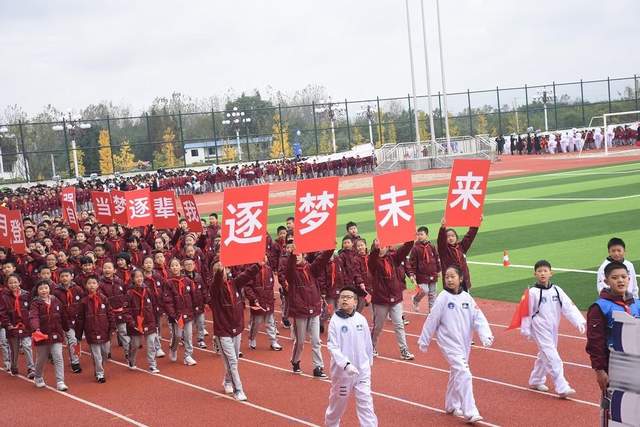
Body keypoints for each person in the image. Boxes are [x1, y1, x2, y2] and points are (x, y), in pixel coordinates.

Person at [417, 265, 493, 423]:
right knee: (464, 373)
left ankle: (451, 405)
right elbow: (432, 319)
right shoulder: (443, 297)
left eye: (453, 277)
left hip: (464, 343)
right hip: (448, 343)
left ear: (461, 279)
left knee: (456, 372)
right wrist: (424, 340)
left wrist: (486, 335)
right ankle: (470, 411)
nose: (449, 280)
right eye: (447, 277)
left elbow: (478, 318)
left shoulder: (467, 298)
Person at [520, 260, 586, 398]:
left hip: (553, 328)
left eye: (545, 271)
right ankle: (562, 386)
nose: (542, 273)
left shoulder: (557, 290)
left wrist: (579, 321)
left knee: (545, 355)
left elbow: (568, 306)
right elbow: (526, 312)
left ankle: (536, 380)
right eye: (539, 271)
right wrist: (525, 329)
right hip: (539, 327)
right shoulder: (532, 292)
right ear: (535, 274)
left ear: (551, 273)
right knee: (552, 357)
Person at [325, 286, 377, 427]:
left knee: (366, 403)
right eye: (342, 297)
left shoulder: (361, 319)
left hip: (361, 372)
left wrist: (368, 363)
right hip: (342, 373)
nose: (345, 299)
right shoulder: (335, 321)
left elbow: (367, 343)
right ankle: (331, 424)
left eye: (348, 297)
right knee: (337, 405)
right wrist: (346, 365)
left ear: (355, 302)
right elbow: (332, 347)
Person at [586, 261, 640, 394]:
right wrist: (599, 370)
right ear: (606, 281)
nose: (620, 281)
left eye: (623, 277)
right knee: (615, 407)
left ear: (629, 278)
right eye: (615, 278)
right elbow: (595, 342)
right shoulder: (599, 307)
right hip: (615, 365)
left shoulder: (637, 304)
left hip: (636, 363)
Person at [210, 262, 260, 401]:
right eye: (220, 271)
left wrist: (258, 265)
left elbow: (246, 275)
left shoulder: (234, 284)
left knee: (234, 360)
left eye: (225, 269)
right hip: (223, 331)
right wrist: (219, 271)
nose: (224, 272)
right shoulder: (215, 289)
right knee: (231, 361)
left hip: (237, 328)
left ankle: (227, 381)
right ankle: (238, 389)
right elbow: (217, 282)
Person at [286, 245, 333, 377]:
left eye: (299, 254)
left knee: (316, 340)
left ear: (304, 255)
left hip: (314, 309)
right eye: (295, 255)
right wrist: (291, 256)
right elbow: (289, 268)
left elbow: (322, 260)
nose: (297, 257)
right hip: (300, 311)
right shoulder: (292, 273)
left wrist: (330, 248)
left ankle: (318, 367)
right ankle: (295, 361)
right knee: (300, 341)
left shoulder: (311, 269)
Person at [368, 239, 415, 360]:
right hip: (381, 300)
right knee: (378, 326)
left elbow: (405, 250)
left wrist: (410, 239)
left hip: (396, 298)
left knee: (399, 325)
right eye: (380, 246)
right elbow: (372, 258)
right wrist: (377, 248)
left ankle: (404, 350)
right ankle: (371, 347)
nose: (383, 247)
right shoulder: (373, 261)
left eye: (384, 245)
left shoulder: (393, 258)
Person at [29, 280, 70, 391]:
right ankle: (38, 377)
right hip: (42, 335)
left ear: (49, 289)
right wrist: (36, 329)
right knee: (41, 358)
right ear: (37, 291)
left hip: (56, 334)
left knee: (58, 357)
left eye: (45, 288)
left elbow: (63, 315)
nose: (44, 290)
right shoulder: (35, 303)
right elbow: (34, 317)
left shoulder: (56, 301)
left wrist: (67, 328)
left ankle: (60, 381)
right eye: (41, 289)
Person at [75, 276, 114, 383]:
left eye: (94, 283)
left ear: (98, 285)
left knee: (105, 353)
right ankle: (100, 374)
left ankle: (99, 368)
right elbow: (80, 319)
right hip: (91, 331)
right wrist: (78, 334)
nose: (92, 285)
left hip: (104, 330)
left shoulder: (104, 299)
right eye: (89, 283)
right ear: (86, 286)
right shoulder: (83, 302)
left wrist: (112, 327)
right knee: (96, 355)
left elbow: (110, 313)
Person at [244, 255, 282, 351]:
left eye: (265, 256)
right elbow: (247, 287)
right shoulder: (252, 271)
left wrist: (270, 297)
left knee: (270, 322)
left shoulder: (268, 269)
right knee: (256, 322)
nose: (264, 258)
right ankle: (252, 339)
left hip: (268, 300)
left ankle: (273, 341)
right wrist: (254, 299)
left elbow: (271, 284)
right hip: (257, 301)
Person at [0, 274, 35, 378]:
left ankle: (31, 368)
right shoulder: (4, 297)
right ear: (7, 284)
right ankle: (14, 366)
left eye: (15, 282)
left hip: (25, 326)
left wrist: (30, 322)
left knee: (27, 346)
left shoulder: (26, 295)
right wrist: (7, 324)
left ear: (20, 282)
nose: (13, 284)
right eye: (10, 283)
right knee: (14, 349)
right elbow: (2, 312)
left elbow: (31, 309)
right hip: (12, 326)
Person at [125, 270, 160, 373]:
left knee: (151, 344)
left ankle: (152, 365)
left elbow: (154, 305)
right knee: (135, 344)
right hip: (136, 323)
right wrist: (132, 323)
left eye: (141, 276)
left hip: (149, 321)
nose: (139, 279)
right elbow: (126, 311)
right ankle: (131, 360)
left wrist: (155, 321)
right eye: (137, 277)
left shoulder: (147, 290)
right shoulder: (129, 293)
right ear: (133, 279)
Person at [52, 269, 84, 373]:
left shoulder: (78, 289)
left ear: (71, 276)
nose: (65, 278)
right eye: (62, 276)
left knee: (77, 339)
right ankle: (75, 362)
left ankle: (75, 356)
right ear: (59, 278)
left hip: (78, 319)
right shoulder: (56, 292)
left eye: (67, 276)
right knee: (72, 339)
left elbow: (83, 303)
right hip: (66, 321)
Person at [437, 217, 480, 292]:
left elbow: (470, 236)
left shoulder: (461, 247)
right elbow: (440, 241)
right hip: (451, 283)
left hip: (464, 281)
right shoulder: (443, 250)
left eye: (453, 236)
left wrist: (476, 223)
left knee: (465, 302)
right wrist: (442, 228)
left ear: (456, 237)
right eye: (448, 236)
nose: (450, 238)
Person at [407, 226, 441, 313]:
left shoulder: (432, 246)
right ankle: (415, 299)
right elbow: (411, 262)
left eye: (421, 234)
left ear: (427, 235)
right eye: (418, 234)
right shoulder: (415, 248)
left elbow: (437, 258)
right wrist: (411, 274)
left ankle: (431, 311)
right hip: (421, 275)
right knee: (424, 291)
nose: (419, 236)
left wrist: (439, 270)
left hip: (433, 274)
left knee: (432, 294)